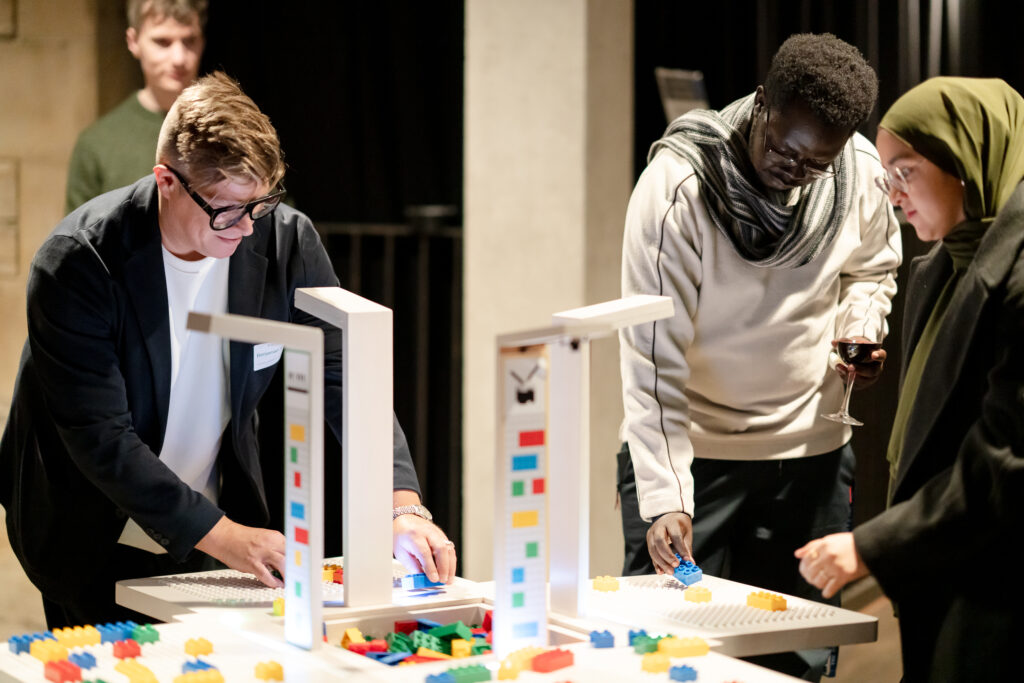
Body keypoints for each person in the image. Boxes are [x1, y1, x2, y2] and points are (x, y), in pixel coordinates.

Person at [0, 72, 456, 630]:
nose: (245, 229)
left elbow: (347, 374)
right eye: (227, 210)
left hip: (211, 511)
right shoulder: (78, 263)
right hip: (88, 518)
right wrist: (230, 538)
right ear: (167, 181)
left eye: (260, 205)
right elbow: (100, 439)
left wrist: (402, 506)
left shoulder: (285, 239)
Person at [617, 33, 901, 678]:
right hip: (695, 456)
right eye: (781, 148)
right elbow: (650, 354)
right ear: (762, 102)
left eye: (814, 163)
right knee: (666, 659)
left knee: (793, 662)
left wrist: (858, 326)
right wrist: (665, 496)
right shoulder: (678, 188)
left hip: (811, 455)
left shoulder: (855, 169)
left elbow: (873, 267)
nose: (793, 170)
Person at [797, 77, 1024, 681]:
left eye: (906, 172)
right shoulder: (935, 268)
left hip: (999, 593)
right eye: (886, 177)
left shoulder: (1019, 281)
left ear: (965, 162)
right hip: (939, 574)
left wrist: (873, 544)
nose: (893, 196)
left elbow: (1003, 466)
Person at [65, 0, 206, 214]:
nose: (179, 58)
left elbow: (264, 224)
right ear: (133, 41)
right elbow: (78, 242)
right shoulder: (96, 144)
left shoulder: (234, 130)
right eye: (162, 42)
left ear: (202, 42)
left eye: (189, 41)